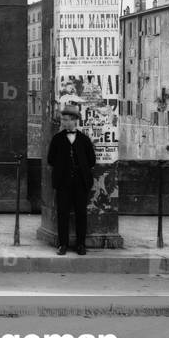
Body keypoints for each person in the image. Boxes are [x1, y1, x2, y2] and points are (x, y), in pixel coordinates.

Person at [46, 107, 96, 256]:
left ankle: (81, 244)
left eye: (67, 120)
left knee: (81, 214)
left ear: (75, 121)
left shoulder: (84, 139)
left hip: (81, 183)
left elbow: (91, 161)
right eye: (63, 120)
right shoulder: (57, 139)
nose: (64, 122)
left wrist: (81, 169)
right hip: (63, 183)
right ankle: (63, 244)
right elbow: (50, 159)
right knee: (62, 214)